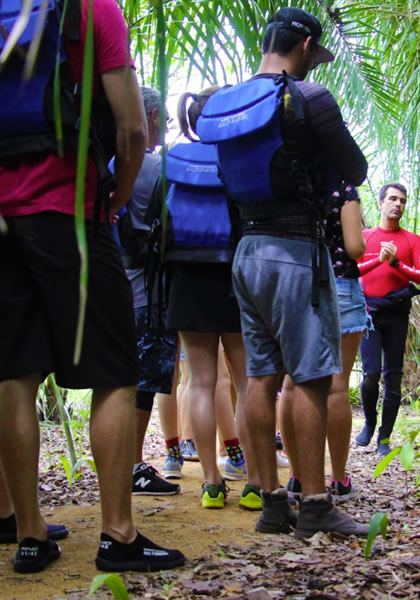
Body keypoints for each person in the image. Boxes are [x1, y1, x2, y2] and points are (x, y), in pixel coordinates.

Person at [0, 0, 184, 573]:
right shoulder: (92, 9)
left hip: (3, 222)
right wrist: (117, 198)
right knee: (114, 374)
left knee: (13, 374)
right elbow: (131, 126)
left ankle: (29, 533)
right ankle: (119, 535)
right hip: (73, 213)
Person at [218, 7, 369, 538]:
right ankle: (317, 505)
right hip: (294, 251)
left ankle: (272, 504)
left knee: (260, 377)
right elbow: (355, 169)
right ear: (305, 45)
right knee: (309, 377)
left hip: (246, 251)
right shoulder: (310, 98)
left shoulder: (230, 103)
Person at [169, 88, 253, 510]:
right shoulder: (239, 158)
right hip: (236, 274)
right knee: (246, 381)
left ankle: (211, 483)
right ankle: (256, 481)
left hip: (187, 275)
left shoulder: (173, 159)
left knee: (199, 383)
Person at [281, 180, 367, 503]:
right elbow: (355, 246)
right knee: (337, 385)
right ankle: (339, 480)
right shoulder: (341, 185)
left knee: (291, 382)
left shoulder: (289, 179)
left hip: (295, 284)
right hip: (340, 283)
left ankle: (296, 477)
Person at [115, 86, 181, 494]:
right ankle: (134, 465)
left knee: (118, 381)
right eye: (165, 120)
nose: (167, 127)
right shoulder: (159, 167)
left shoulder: (108, 160)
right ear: (151, 117)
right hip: (150, 294)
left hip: (112, 287)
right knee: (143, 383)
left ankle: (121, 464)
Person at [356, 183, 420, 456]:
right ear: (380, 203)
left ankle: (384, 438)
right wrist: (379, 260)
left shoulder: (411, 240)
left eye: (402, 200)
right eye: (392, 199)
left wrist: (397, 262)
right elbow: (352, 270)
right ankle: (369, 422)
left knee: (393, 376)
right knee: (370, 374)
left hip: (398, 314)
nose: (397, 204)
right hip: (369, 315)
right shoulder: (365, 236)